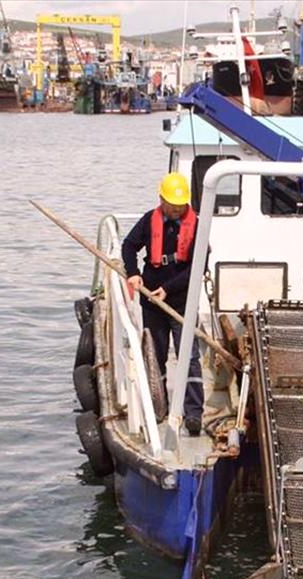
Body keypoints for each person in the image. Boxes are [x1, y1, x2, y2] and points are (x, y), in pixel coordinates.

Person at [121, 172, 204, 436]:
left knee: (188, 358)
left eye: (180, 205)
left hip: (180, 303)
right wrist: (133, 273)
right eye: (172, 204)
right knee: (155, 356)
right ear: (161, 200)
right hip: (151, 302)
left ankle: (193, 414)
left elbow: (196, 267)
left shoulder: (197, 226)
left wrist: (167, 290)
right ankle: (159, 408)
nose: (177, 209)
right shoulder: (150, 220)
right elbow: (129, 246)